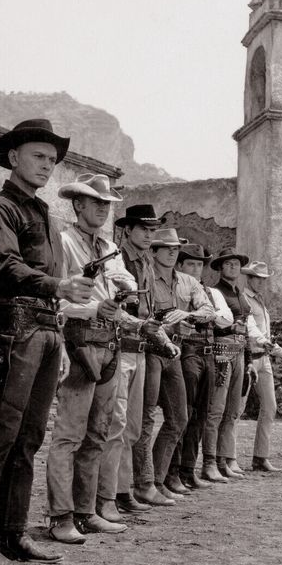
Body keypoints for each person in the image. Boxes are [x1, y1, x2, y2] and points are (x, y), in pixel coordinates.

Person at [0, 118, 94, 565]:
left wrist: (61, 294)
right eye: (39, 156)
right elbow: (6, 269)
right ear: (13, 157)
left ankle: (13, 535)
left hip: (47, 330)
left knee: (29, 438)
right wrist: (57, 284)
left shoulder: (46, 216)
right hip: (16, 328)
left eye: (53, 161)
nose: (47, 166)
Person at [46, 174, 138, 543]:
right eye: (95, 202)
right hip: (77, 341)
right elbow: (57, 300)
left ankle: (87, 512)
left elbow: (125, 280)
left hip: (109, 342)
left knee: (98, 433)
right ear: (78, 204)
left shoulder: (107, 247)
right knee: (69, 434)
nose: (102, 209)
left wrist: (126, 290)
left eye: (106, 204)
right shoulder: (63, 243)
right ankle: (59, 516)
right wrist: (93, 307)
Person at [98, 204, 174, 514]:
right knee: (114, 425)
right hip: (118, 347)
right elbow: (119, 308)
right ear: (127, 229)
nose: (148, 235)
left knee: (132, 427)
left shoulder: (146, 263)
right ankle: (106, 495)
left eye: (152, 230)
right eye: (143, 229)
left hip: (140, 349)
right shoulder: (118, 259)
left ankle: (123, 489)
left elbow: (149, 311)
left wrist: (163, 340)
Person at [134, 227, 214, 503]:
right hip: (151, 350)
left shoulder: (188, 282)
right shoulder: (146, 277)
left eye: (175, 248)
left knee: (179, 417)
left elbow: (208, 311)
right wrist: (170, 324)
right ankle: (144, 484)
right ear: (153, 251)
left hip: (174, 352)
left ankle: (157, 479)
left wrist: (188, 315)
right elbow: (144, 315)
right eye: (165, 247)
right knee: (145, 420)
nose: (171, 252)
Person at [169, 243, 233, 490]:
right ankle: (172, 473)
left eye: (199, 264)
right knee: (182, 413)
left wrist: (207, 314)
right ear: (181, 266)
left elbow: (224, 318)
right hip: (188, 351)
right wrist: (204, 315)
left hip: (209, 352)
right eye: (191, 264)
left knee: (201, 415)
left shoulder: (208, 291)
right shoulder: (178, 287)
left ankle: (188, 470)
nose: (196, 268)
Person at [200, 247, 259, 481]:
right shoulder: (215, 293)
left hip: (240, 353)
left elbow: (246, 330)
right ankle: (209, 462)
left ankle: (225, 459)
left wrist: (250, 360)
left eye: (236, 263)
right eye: (228, 263)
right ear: (220, 268)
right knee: (216, 409)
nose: (233, 267)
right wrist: (228, 327)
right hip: (221, 352)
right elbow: (212, 324)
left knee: (233, 410)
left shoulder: (241, 296)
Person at [241, 261, 282, 472]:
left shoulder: (261, 303)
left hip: (264, 360)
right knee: (237, 409)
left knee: (270, 407)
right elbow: (251, 329)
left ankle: (260, 457)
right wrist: (265, 343)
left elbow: (266, 336)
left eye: (263, 279)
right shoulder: (243, 300)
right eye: (257, 278)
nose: (260, 282)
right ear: (249, 278)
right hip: (249, 358)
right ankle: (224, 459)